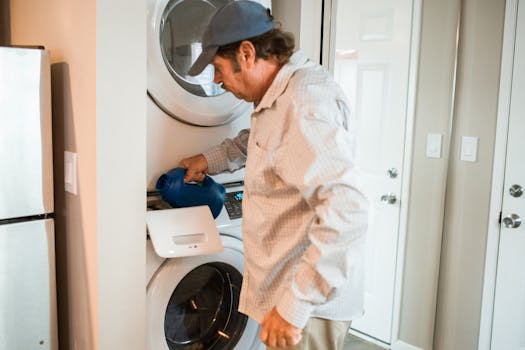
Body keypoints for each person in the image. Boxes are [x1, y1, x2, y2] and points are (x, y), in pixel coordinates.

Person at [179, 1, 368, 349]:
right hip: (291, 296)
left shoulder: (303, 104)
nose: (217, 80)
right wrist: (210, 159)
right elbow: (261, 141)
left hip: (309, 307)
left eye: (219, 68)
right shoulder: (277, 96)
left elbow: (348, 210)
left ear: (247, 53)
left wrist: (294, 307)